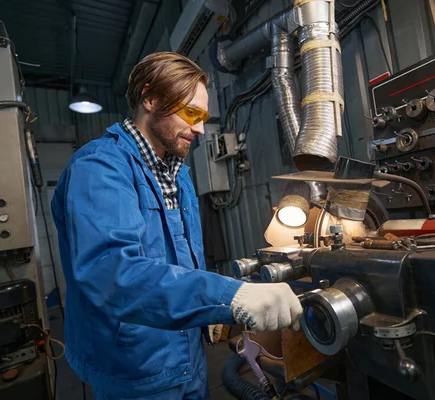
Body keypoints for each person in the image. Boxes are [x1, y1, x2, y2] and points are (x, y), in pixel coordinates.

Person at [51, 52, 302, 400]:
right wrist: (227, 296)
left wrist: (206, 309)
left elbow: (181, 264)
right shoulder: (99, 169)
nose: (200, 129)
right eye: (191, 114)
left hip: (187, 352)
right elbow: (113, 274)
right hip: (134, 368)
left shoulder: (177, 172)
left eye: (204, 117)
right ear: (150, 99)